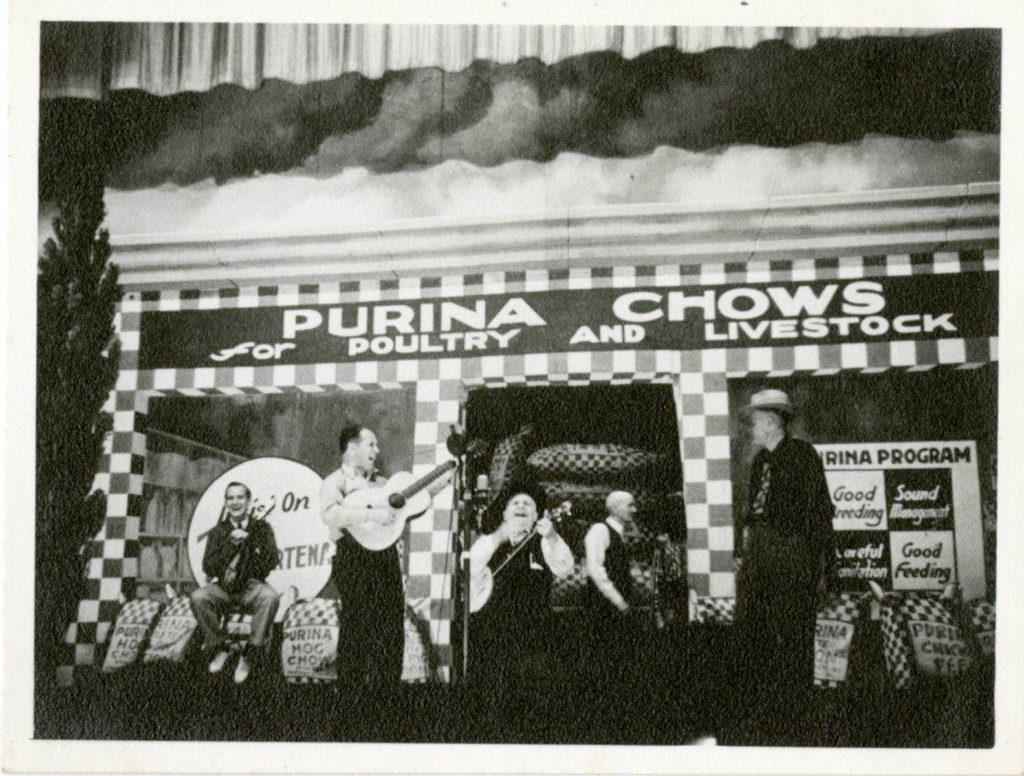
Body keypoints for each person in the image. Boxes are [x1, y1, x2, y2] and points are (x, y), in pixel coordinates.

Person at [733, 388, 837, 735]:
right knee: (755, 625)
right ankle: (763, 705)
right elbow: (751, 513)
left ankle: (797, 711)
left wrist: (822, 566)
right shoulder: (759, 461)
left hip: (792, 552)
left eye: (755, 422)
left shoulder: (803, 454)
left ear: (770, 421)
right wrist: (744, 551)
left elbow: (820, 511)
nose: (751, 429)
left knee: (794, 630)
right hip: (760, 553)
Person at [320, 424, 451, 686]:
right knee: (357, 628)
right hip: (353, 558)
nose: (377, 450)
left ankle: (386, 696)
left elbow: (409, 507)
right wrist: (371, 514)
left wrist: (438, 484)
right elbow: (331, 514)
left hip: (385, 559)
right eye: (371, 444)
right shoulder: (335, 481)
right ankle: (351, 694)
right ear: (352, 447)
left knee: (391, 628)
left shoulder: (383, 484)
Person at [467, 485, 574, 686]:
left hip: (532, 636)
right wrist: (498, 536)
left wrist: (552, 536)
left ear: (536, 516)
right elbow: (469, 567)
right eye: (515, 503)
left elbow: (564, 566)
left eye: (527, 504)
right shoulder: (490, 541)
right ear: (504, 515)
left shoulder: (544, 542)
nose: (521, 506)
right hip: (491, 634)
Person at [191, 481, 281, 684]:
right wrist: (230, 546)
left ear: (248, 501)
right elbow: (209, 567)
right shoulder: (218, 531)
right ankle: (220, 647)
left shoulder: (262, 528)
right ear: (225, 503)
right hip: (224, 588)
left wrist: (250, 543)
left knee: (270, 597)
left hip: (251, 587)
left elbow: (271, 561)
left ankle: (249, 654)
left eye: (240, 497)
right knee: (199, 597)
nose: (235, 502)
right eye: (230, 498)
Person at [583, 490, 641, 682]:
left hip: (614, 607)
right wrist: (619, 601)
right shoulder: (600, 530)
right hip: (603, 607)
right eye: (630, 505)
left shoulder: (619, 532)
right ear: (615, 508)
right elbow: (595, 570)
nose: (635, 510)